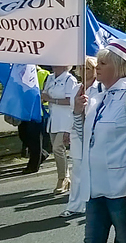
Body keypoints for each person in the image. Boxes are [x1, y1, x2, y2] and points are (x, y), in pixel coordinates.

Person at [73, 39, 126, 243]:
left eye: (103, 63)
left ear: (119, 66)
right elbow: (84, 138)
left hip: (122, 189)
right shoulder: (100, 96)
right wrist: (78, 113)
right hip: (95, 187)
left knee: (125, 240)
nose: (97, 67)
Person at [60, 58, 99, 218]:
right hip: (77, 133)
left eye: (88, 68)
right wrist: (67, 130)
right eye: (82, 68)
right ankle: (75, 205)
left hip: (94, 135)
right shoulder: (76, 88)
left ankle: (93, 203)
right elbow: (72, 111)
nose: (84, 71)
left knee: (93, 170)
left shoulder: (100, 88)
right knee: (77, 170)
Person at [42, 65, 78, 195]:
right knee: (56, 149)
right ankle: (65, 177)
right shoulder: (50, 78)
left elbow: (70, 100)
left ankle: (62, 178)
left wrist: (51, 99)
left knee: (58, 147)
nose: (54, 65)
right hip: (53, 119)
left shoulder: (70, 79)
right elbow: (44, 93)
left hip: (66, 119)